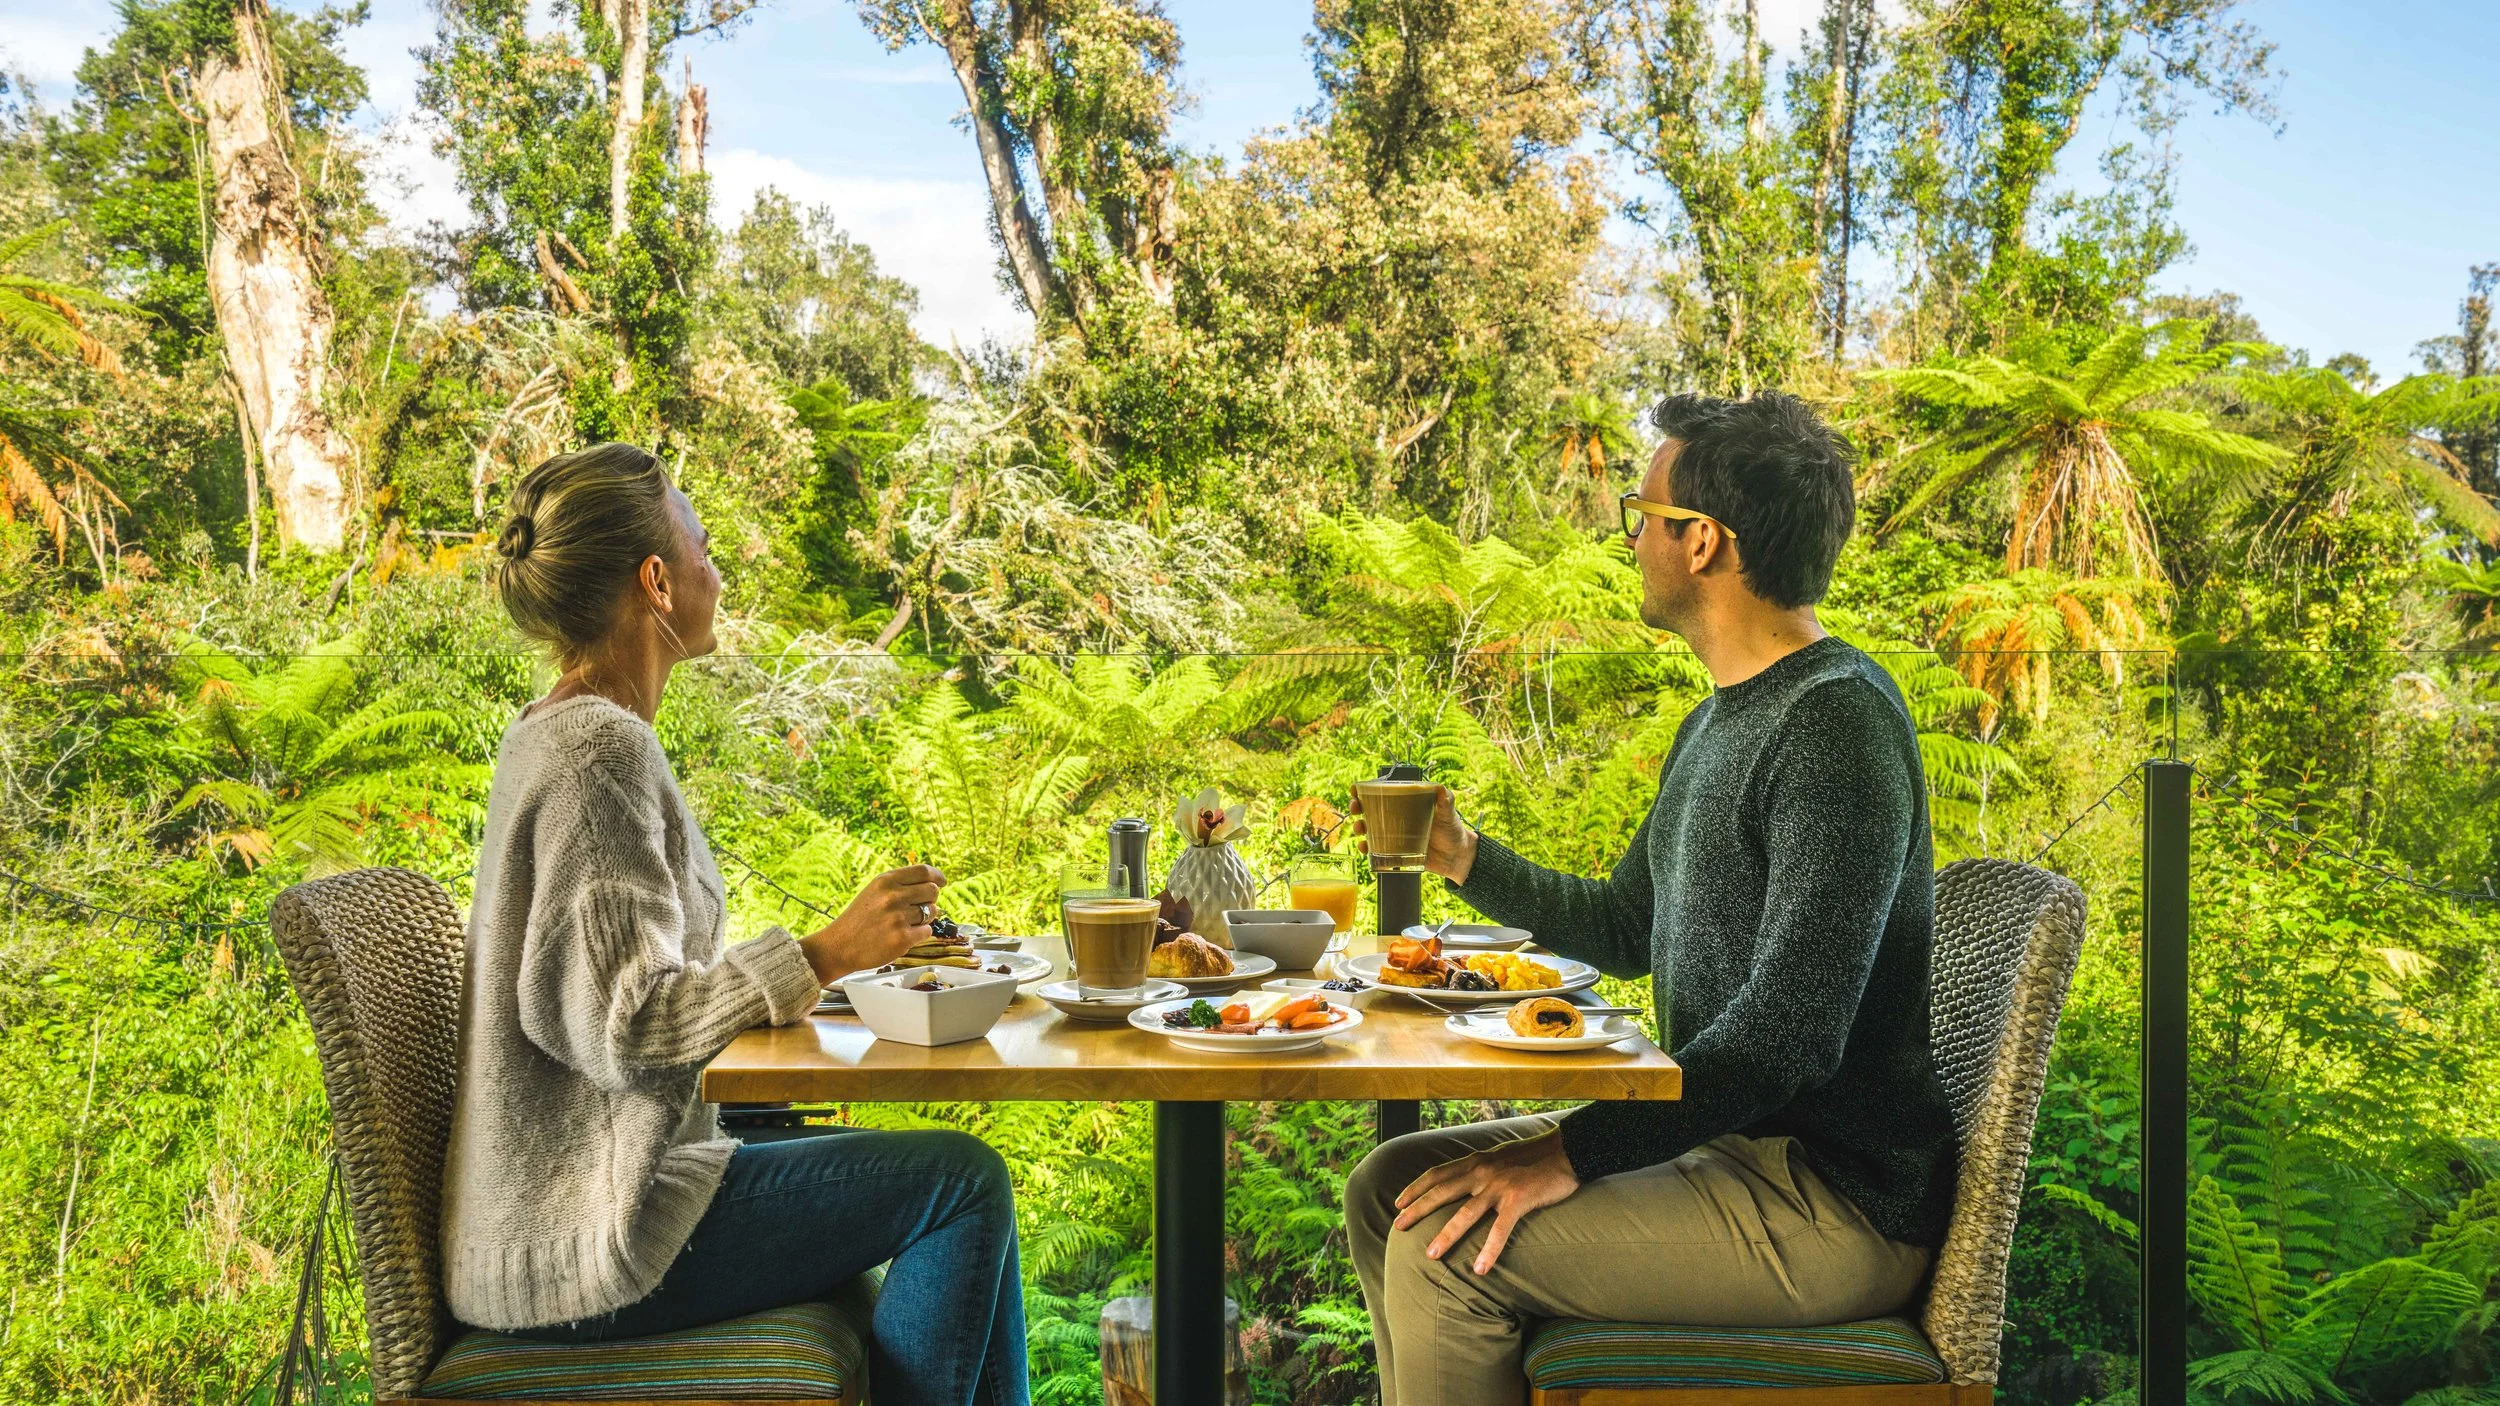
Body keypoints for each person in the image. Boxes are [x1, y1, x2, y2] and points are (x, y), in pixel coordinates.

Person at [1346, 392, 1957, 1406]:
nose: (1630, 539)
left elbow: (1788, 1034)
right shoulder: (1718, 724)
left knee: (1442, 1248)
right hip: (1729, 1150)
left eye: (1642, 516)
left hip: (1827, 1202)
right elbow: (1626, 927)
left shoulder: (1835, 725)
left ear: (1702, 541)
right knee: (1388, 1188)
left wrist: (1571, 1150)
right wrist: (1461, 854)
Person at [442, 443, 1029, 1406]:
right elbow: (630, 1027)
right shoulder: (596, 757)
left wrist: (829, 969)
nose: (722, 570)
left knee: (953, 1185)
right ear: (658, 583)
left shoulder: (565, 732)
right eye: (704, 546)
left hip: (586, 1201)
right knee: (960, 1185)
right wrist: (824, 953)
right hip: (590, 1243)